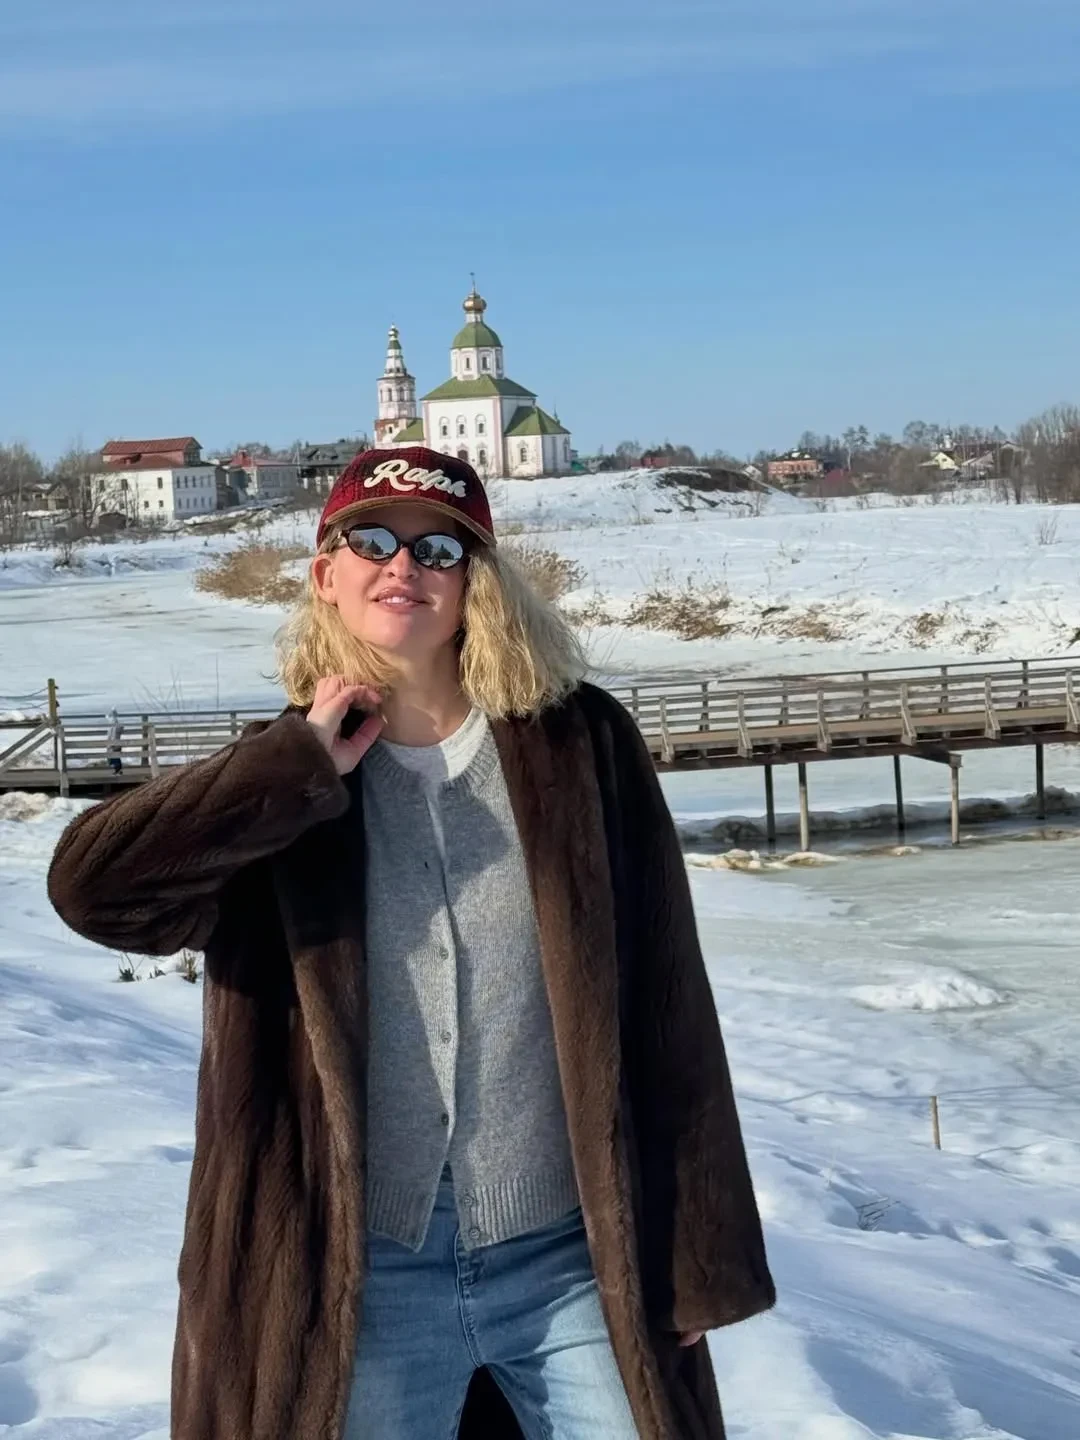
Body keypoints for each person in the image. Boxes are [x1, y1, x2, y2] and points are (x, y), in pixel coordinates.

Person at [47, 446, 774, 1440]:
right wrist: (292, 769)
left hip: (570, 1256)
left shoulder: (580, 745)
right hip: (354, 1273)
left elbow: (665, 994)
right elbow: (93, 892)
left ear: (478, 582)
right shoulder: (279, 780)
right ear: (326, 575)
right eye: (373, 541)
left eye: (438, 549)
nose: (404, 566)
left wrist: (699, 1252)